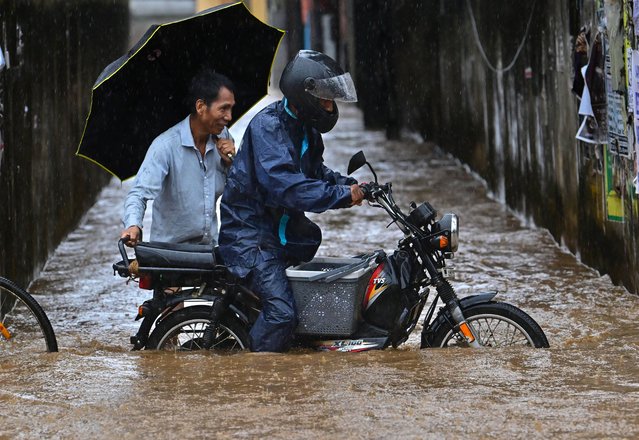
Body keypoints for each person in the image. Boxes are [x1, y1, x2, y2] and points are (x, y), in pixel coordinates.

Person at [218, 50, 364, 352]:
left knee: (313, 302)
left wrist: (349, 185)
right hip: (251, 235)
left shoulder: (306, 128)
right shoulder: (268, 127)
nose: (329, 106)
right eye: (325, 99)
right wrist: (341, 197)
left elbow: (314, 171)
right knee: (283, 315)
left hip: (280, 231)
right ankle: (253, 376)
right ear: (305, 93)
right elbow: (288, 187)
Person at [120, 69, 236, 246]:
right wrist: (133, 225)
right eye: (223, 109)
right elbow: (139, 193)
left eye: (231, 108)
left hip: (210, 250)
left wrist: (231, 164)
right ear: (200, 107)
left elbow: (240, 194)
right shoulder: (165, 146)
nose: (229, 117)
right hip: (170, 254)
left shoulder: (225, 140)